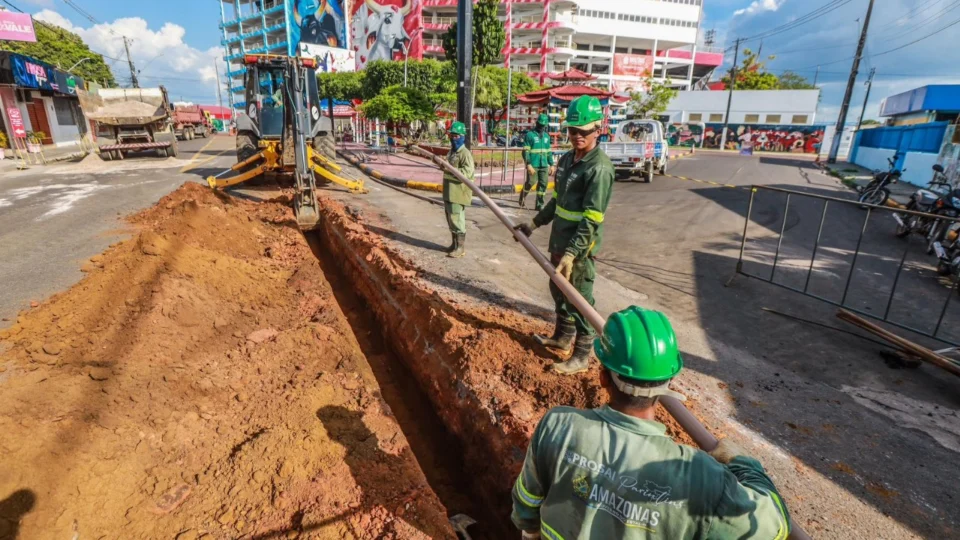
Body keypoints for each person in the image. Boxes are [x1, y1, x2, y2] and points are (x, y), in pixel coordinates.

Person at [511, 306, 792, 540]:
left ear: (603, 377)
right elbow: (775, 527)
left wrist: (532, 534)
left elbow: (526, 509)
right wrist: (746, 465)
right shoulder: (704, 479)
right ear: (669, 382)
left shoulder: (557, 426)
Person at [514, 96, 614, 375]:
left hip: (579, 250)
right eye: (572, 130)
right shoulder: (569, 159)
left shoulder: (599, 168)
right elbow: (556, 201)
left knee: (579, 299)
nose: (576, 136)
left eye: (583, 131)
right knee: (558, 292)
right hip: (560, 242)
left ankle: (582, 356)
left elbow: (592, 219)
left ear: (597, 129)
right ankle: (561, 337)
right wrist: (533, 224)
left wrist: (572, 253)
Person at [443, 121, 475, 259]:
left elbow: (467, 173)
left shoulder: (465, 154)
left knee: (457, 220)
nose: (453, 138)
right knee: (450, 219)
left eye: (456, 136)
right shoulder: (452, 152)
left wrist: (449, 170)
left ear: (462, 137)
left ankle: (460, 248)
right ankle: (454, 243)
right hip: (449, 191)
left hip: (459, 192)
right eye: (452, 135)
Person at [520, 113, 556, 210]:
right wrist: (528, 164)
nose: (541, 127)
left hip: (543, 164)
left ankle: (539, 204)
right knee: (530, 182)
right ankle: (522, 197)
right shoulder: (529, 135)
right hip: (533, 164)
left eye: (543, 125)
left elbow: (548, 152)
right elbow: (525, 151)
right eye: (540, 124)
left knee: (543, 184)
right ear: (537, 124)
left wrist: (552, 164)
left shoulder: (546, 137)